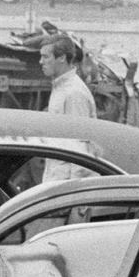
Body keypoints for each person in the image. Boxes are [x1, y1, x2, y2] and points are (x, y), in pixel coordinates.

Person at [38, 34, 97, 181]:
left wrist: (73, 199)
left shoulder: (74, 93)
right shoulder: (61, 88)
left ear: (62, 58)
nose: (41, 62)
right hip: (58, 180)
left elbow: (81, 149)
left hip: (66, 185)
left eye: (46, 57)